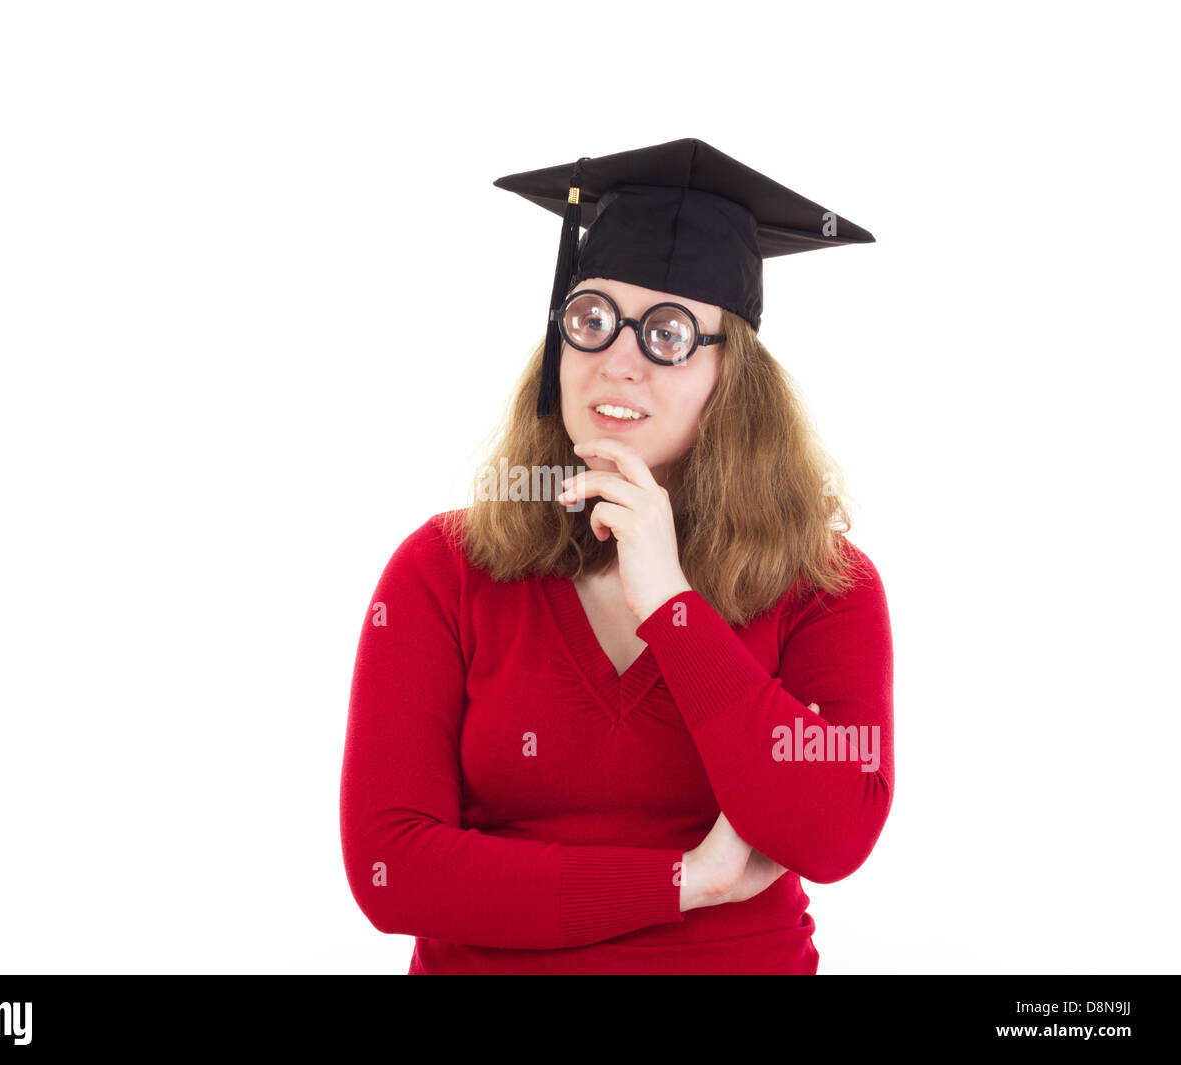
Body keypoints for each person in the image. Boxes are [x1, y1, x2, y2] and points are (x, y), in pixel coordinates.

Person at [339, 138, 894, 974]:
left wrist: (673, 605)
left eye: (668, 333)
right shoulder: (443, 570)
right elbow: (393, 871)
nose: (618, 361)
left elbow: (833, 831)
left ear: (731, 377)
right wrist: (684, 881)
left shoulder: (824, 586)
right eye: (592, 319)